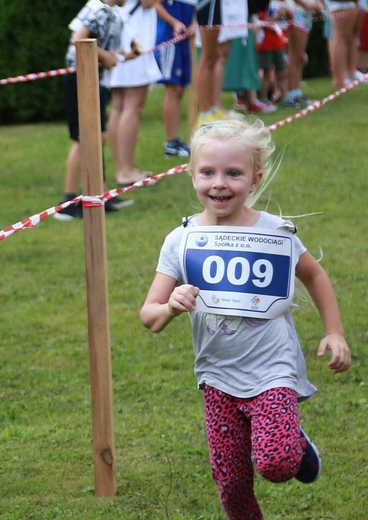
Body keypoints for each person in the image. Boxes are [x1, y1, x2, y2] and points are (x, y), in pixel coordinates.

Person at [140, 118, 352, 519]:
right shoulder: (182, 241)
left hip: (272, 368)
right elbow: (149, 315)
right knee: (233, 483)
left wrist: (335, 332)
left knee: (276, 463)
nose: (219, 183)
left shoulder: (276, 234)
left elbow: (314, 275)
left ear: (254, 180)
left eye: (232, 173)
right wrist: (170, 305)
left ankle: (297, 446)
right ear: (192, 176)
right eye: (208, 172)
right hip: (217, 374)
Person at [53, 0, 133, 221]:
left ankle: (101, 194)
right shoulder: (100, 11)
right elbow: (78, 38)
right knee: (84, 138)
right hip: (81, 77)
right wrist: (105, 56)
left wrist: (124, 55)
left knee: (99, 137)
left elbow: (107, 49)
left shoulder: (111, 12)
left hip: (95, 78)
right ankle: (67, 201)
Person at [107, 0, 162, 193]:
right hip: (133, 37)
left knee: (119, 106)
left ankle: (123, 168)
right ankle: (125, 170)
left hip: (121, 35)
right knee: (132, 105)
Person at [196, 0, 249, 125]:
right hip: (209, 5)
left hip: (219, 6)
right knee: (208, 58)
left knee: (215, 57)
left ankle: (214, 108)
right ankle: (205, 113)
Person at [155, 0, 197, 158]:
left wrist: (193, 24)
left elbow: (194, 9)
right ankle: (171, 142)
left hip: (183, 41)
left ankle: (175, 140)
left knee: (179, 90)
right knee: (173, 89)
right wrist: (174, 23)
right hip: (169, 40)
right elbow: (156, 5)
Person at [281, 0, 324, 108]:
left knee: (299, 57)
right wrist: (308, 5)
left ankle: (296, 92)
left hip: (307, 14)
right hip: (297, 13)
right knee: (295, 56)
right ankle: (291, 94)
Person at [255, 1, 293, 104]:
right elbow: (261, 22)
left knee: (282, 71)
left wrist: (289, 14)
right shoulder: (264, 3)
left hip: (279, 43)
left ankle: (285, 97)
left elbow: (290, 21)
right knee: (266, 72)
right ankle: (264, 99)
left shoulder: (284, 2)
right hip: (265, 44)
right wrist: (277, 16)